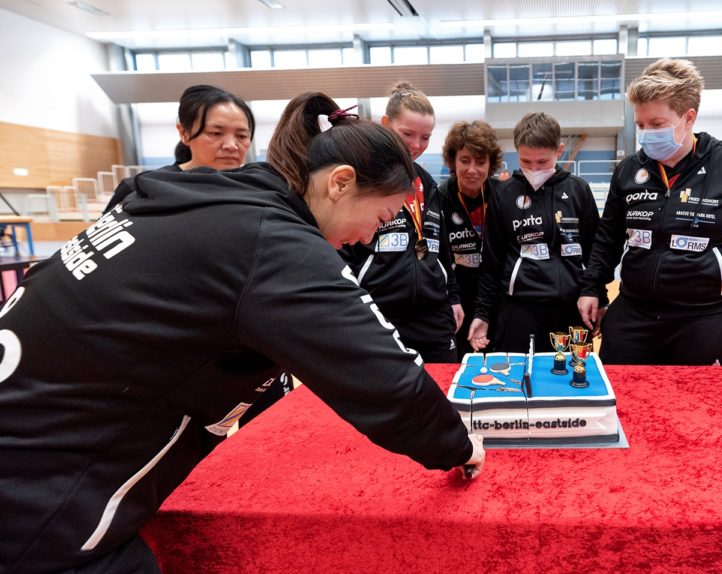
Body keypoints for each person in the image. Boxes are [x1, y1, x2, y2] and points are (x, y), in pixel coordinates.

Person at [0, 92, 484, 574]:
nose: (369, 238)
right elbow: (383, 376)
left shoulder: (217, 194)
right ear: (340, 183)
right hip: (36, 493)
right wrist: (457, 443)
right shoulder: (271, 240)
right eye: (380, 218)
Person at [578, 58, 722, 366]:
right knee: (624, 407)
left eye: (657, 125)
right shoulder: (629, 170)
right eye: (641, 125)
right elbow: (608, 238)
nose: (646, 133)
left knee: (699, 410)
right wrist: (593, 288)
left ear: (688, 117)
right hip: (634, 315)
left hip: (705, 319)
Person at [339, 81, 462, 362]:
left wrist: (452, 296)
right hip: (379, 314)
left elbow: (441, 247)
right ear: (385, 123)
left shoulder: (427, 183)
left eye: (425, 137)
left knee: (443, 396)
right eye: (407, 133)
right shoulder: (361, 178)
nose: (416, 145)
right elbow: (341, 250)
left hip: (434, 314)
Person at [467, 112, 603, 353]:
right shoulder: (504, 194)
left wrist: (599, 297)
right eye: (525, 162)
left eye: (542, 162)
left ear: (559, 151)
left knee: (570, 382)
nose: (534, 169)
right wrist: (483, 313)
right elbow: (492, 262)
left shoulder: (578, 190)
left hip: (570, 311)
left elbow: (595, 251)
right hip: (519, 312)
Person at [104, 84, 255, 212]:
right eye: (215, 133)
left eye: (241, 136)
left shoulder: (255, 188)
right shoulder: (140, 188)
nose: (231, 145)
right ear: (184, 133)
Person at [438, 120, 504, 360]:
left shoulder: (501, 195)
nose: (472, 170)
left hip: (497, 295)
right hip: (458, 299)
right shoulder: (441, 198)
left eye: (481, 162)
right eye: (465, 161)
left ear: (491, 163)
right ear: (453, 161)